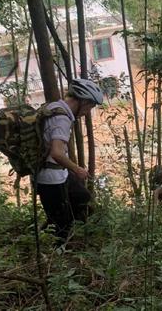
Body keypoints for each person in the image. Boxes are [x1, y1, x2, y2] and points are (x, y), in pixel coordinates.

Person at [37, 78, 104, 242]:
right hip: (50, 177)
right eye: (89, 106)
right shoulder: (62, 119)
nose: (87, 111)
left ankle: (49, 226)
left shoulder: (53, 107)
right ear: (82, 101)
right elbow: (57, 153)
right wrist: (77, 169)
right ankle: (56, 255)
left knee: (82, 197)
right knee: (62, 225)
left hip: (59, 173)